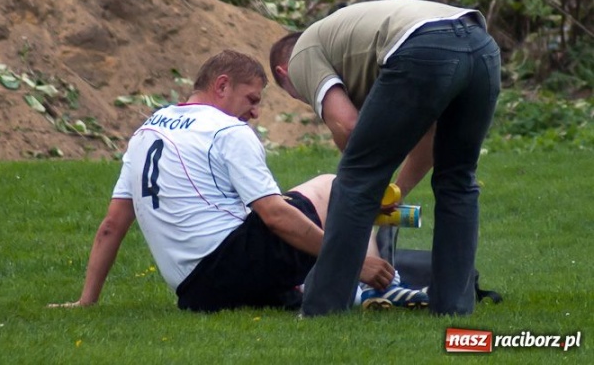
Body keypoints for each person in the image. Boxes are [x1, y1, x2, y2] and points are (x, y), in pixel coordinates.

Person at [51, 50, 426, 312]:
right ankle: (377, 286)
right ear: (222, 85)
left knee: (281, 213)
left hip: (194, 293)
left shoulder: (145, 131)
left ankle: (312, 285)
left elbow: (111, 226)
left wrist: (87, 300)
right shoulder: (226, 130)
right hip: (232, 268)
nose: (256, 112)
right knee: (330, 185)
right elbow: (274, 215)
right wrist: (353, 262)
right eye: (251, 98)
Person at [269, 0, 501, 316]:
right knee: (457, 181)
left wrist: (369, 184)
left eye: (298, 95)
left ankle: (322, 309)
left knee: (353, 178)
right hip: (481, 45)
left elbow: (348, 127)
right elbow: (431, 135)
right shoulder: (349, 46)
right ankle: (453, 307)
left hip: (421, 45)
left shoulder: (303, 54)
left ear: (285, 74)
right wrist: (394, 192)